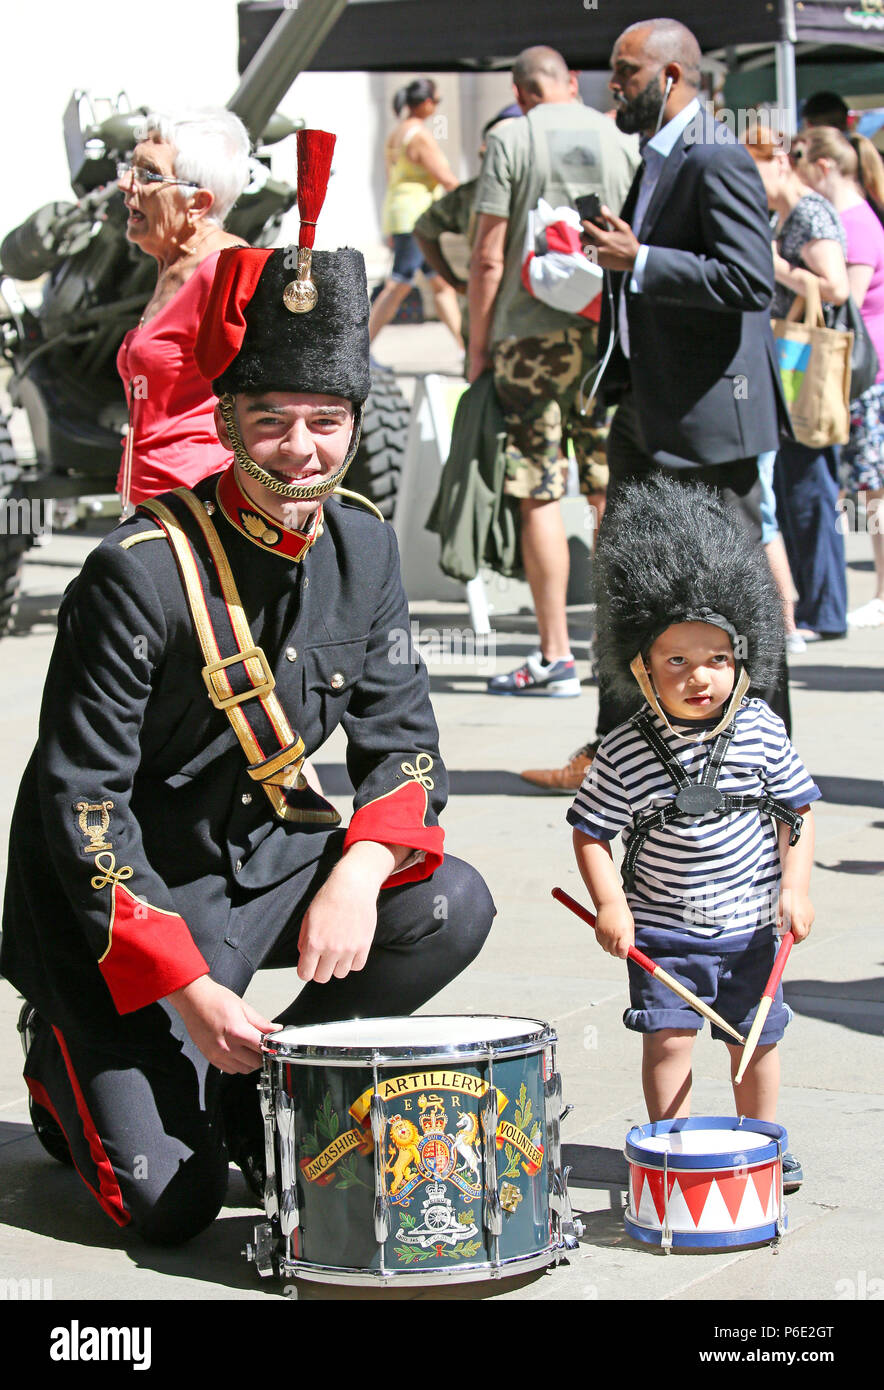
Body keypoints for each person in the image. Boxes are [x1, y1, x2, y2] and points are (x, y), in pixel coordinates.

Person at [3, 135, 494, 1245]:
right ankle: (65, 1052)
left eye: (326, 420)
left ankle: (252, 1088)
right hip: (126, 900)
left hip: (259, 856)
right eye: (271, 419)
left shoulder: (362, 550)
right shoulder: (135, 575)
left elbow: (403, 742)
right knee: (172, 1208)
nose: (302, 447)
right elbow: (84, 811)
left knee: (446, 901)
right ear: (223, 427)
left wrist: (358, 874)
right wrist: (184, 986)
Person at [521, 18, 791, 789]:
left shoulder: (714, 154)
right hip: (647, 408)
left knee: (737, 600)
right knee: (633, 586)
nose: (615, 84)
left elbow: (749, 282)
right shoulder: (661, 157)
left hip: (710, 421)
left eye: (627, 72)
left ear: (670, 77)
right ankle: (614, 761)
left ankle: (770, 765)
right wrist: (614, 254)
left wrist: (641, 260)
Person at [569, 477, 818, 1189]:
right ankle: (671, 1142)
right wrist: (612, 905)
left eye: (716, 659)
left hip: (749, 932)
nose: (697, 676)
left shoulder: (762, 732)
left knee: (754, 1043)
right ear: (641, 664)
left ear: (743, 660)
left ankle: (762, 1139)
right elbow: (590, 832)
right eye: (675, 660)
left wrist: (795, 889)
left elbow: (795, 813)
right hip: (665, 933)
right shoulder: (624, 748)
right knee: (669, 1040)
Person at [468, 45, 638, 697]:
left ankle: (555, 656)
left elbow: (486, 254)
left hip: (526, 336)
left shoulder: (511, 137)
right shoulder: (616, 136)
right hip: (602, 335)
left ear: (520, 91)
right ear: (570, 83)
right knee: (606, 484)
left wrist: (477, 344)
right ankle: (620, 649)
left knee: (539, 487)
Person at [744, 128, 850, 642]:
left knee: (812, 488)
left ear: (780, 162)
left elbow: (836, 286)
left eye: (754, 170)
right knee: (793, 488)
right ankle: (809, 605)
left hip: (806, 360)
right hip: (786, 360)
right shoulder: (781, 215)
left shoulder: (811, 213)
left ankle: (824, 610)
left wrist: (778, 266)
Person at [115, 109, 250, 509]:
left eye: (148, 174)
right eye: (130, 167)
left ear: (198, 203)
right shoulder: (173, 265)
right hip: (152, 503)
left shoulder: (229, 270)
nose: (126, 184)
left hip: (197, 508)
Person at [796, 127, 884, 627]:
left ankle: (882, 591)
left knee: (874, 492)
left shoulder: (855, 223)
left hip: (869, 377)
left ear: (824, 166)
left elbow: (843, 301)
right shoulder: (855, 218)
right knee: (870, 489)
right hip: (866, 376)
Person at [369, 78, 463, 350]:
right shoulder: (420, 136)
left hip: (403, 214)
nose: (436, 108)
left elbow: (391, 179)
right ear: (424, 103)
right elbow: (446, 179)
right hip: (416, 218)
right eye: (436, 102)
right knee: (399, 284)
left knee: (441, 285)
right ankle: (358, 352)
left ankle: (465, 349)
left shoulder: (396, 134)